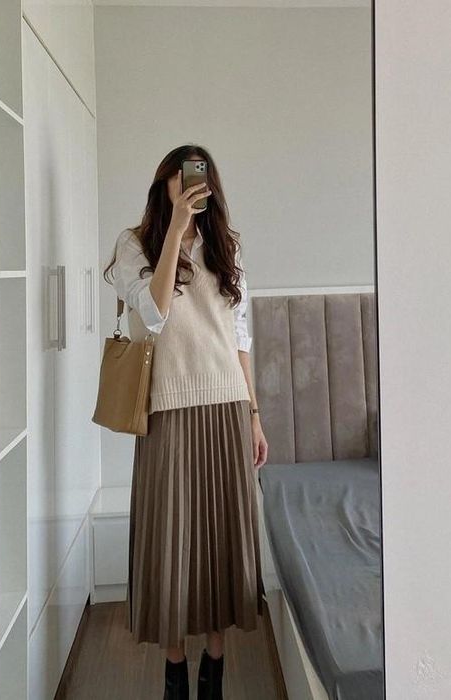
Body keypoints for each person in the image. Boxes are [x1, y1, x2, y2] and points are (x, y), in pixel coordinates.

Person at [103, 145, 268, 699]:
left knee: (220, 538)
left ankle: (213, 669)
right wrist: (175, 229)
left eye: (197, 175)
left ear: (209, 184)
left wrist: (254, 415)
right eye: (180, 175)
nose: (188, 183)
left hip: (227, 404)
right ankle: (175, 672)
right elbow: (153, 314)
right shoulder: (134, 244)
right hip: (167, 406)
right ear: (165, 183)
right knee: (170, 538)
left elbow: (240, 338)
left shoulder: (228, 247)